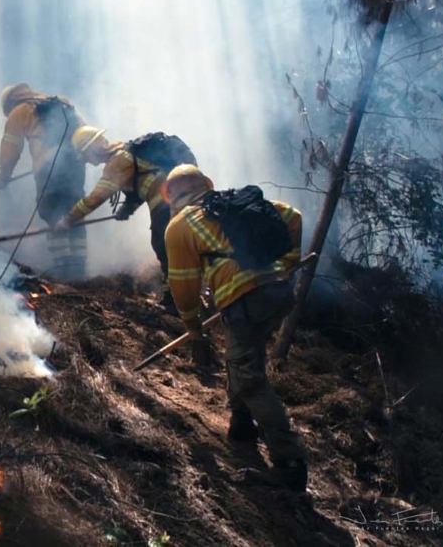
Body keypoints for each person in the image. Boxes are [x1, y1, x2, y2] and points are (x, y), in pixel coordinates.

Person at [161, 164, 308, 492]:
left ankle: (289, 462)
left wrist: (194, 331)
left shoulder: (181, 225)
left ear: (172, 195)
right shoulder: (233, 204)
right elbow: (293, 216)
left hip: (244, 300)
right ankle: (242, 424)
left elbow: (183, 285)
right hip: (277, 294)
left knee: (248, 377)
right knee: (243, 354)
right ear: (204, 185)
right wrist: (287, 266)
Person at [52, 125, 177, 308]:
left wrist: (68, 219)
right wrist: (127, 208)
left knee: (164, 247)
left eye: (85, 155)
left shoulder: (117, 162)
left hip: (166, 202)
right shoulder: (123, 155)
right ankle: (174, 298)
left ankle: (174, 301)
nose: (86, 161)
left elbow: (94, 199)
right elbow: (142, 183)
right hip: (171, 199)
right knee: (165, 246)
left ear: (93, 148)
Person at [0, 83, 88, 280]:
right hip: (76, 165)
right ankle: (79, 267)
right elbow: (84, 131)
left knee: (52, 212)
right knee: (75, 212)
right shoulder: (62, 103)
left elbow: (10, 149)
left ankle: (64, 268)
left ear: (9, 103)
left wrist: (3, 178)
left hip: (48, 168)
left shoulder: (20, 111)